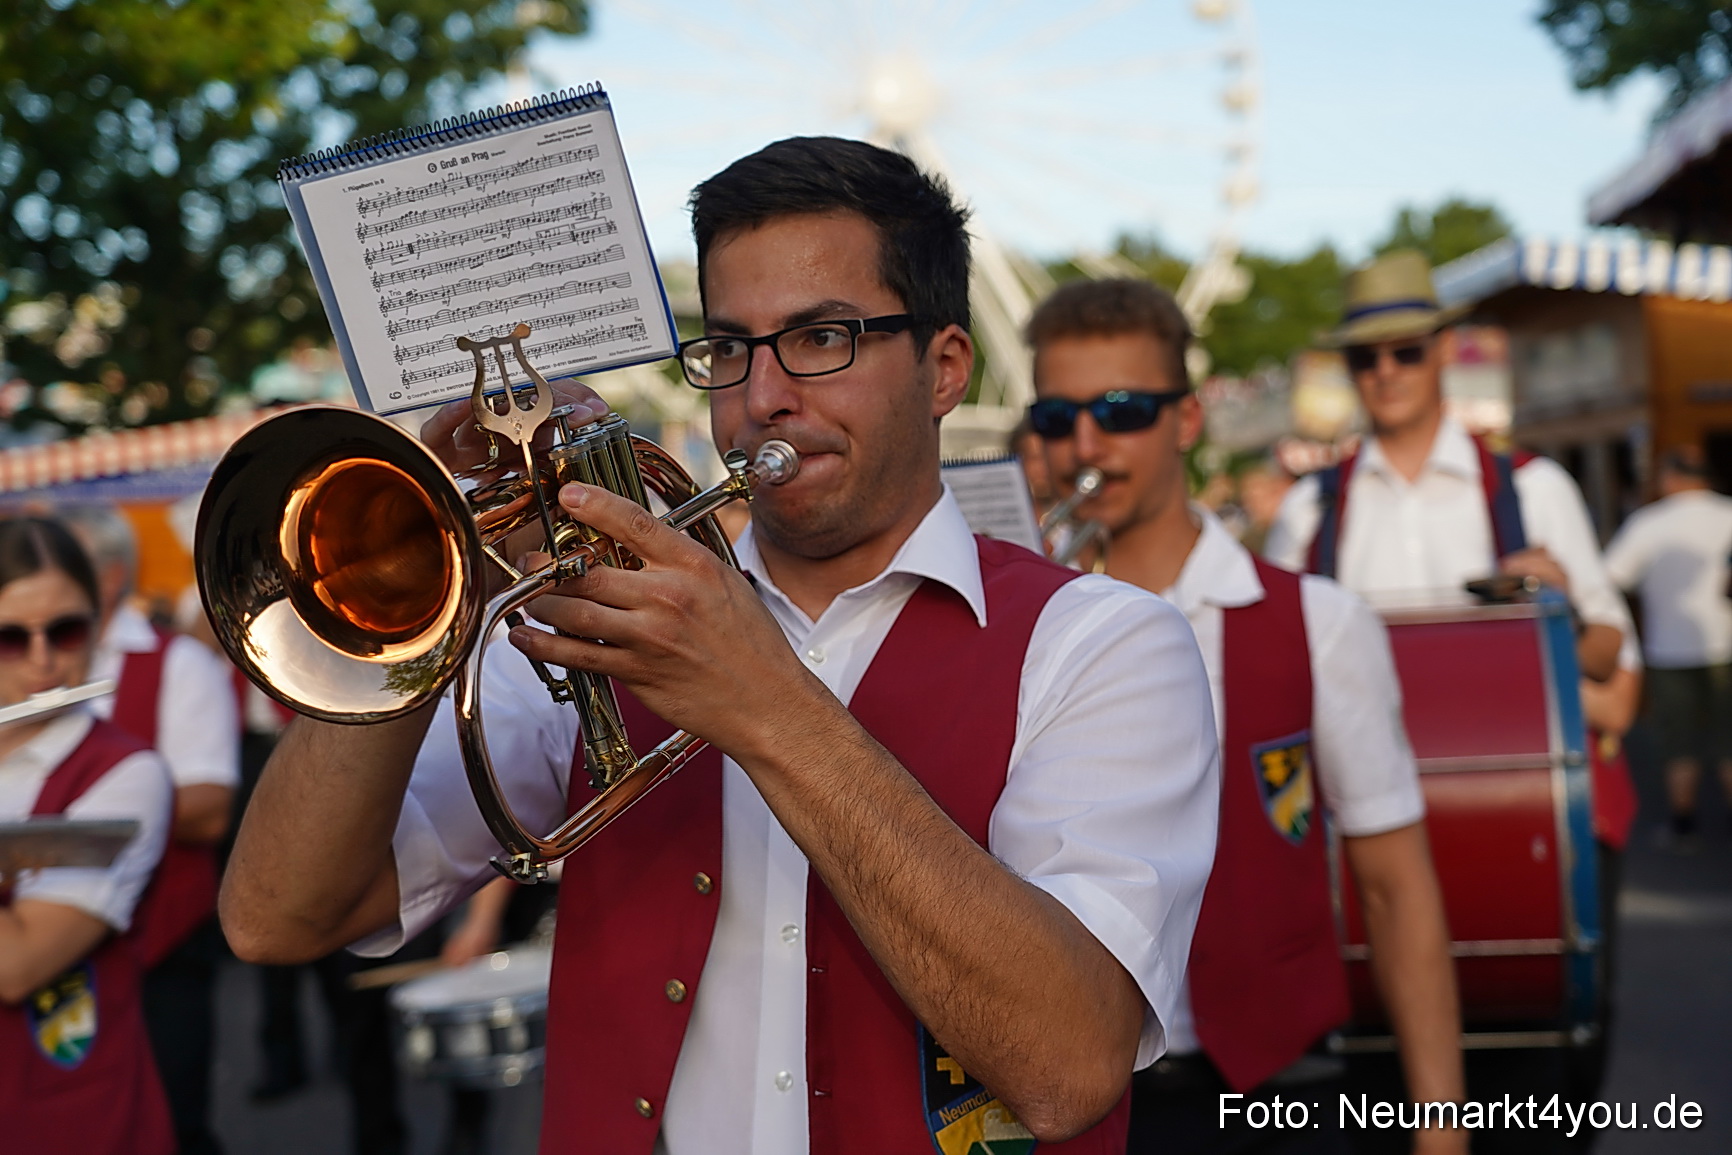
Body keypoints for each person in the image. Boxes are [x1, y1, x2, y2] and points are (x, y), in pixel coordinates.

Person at [220, 136, 1221, 1155]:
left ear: (945, 368)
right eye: (730, 348)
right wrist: (421, 591)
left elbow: (1069, 1067)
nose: (763, 394)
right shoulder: (598, 633)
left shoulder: (1105, 643)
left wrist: (766, 703)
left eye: (822, 338)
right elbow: (276, 916)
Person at [1025, 278, 1465, 1155]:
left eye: (1122, 411)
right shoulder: (1013, 623)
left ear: (1187, 420)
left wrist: (1441, 1127)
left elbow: (1394, 884)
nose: (1086, 444)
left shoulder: (1319, 621)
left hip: (1276, 1092)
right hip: (1070, 1102)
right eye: (1056, 417)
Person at [1264, 249, 1629, 683]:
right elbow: (1274, 661)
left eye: (1407, 352)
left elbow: (1610, 662)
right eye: (1365, 357)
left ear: (1446, 348)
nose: (1385, 371)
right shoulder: (1307, 508)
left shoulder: (1534, 487)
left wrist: (1562, 610)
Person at [61, 503, 240, 1155]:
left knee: (170, 1122)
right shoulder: (39, 661)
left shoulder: (178, 663)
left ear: (110, 575)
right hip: (61, 952)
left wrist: (66, 818)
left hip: (160, 946)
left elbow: (208, 807)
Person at [0, 516, 175, 1154]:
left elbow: (17, 966)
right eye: (11, 638)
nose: (43, 660)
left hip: (65, 1123)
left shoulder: (126, 774)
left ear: (98, 627)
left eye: (66, 631)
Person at [1603, 444, 1732, 845]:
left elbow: (1612, 577)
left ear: (1672, 478)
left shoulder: (1649, 523)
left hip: (1668, 649)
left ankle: (1683, 825)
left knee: (1679, 741)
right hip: (1727, 647)